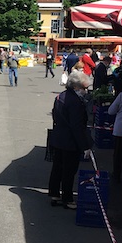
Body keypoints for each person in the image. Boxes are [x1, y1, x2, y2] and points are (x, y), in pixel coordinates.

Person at [48, 70, 93, 209]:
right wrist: (85, 146)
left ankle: (54, 193)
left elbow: (55, 116)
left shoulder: (60, 97)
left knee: (57, 168)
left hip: (58, 137)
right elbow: (77, 126)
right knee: (69, 171)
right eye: (84, 88)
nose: (85, 91)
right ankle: (67, 199)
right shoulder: (75, 102)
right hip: (70, 141)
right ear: (76, 87)